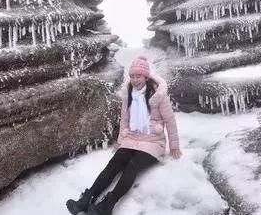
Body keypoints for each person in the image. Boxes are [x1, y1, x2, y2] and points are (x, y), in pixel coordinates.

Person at [66, 56, 181, 215]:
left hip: (153, 143)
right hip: (132, 139)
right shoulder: (128, 94)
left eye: (138, 76)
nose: (135, 80)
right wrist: (122, 141)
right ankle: (86, 199)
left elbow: (170, 120)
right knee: (113, 164)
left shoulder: (158, 95)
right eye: (132, 76)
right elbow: (124, 120)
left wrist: (174, 145)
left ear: (146, 77)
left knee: (131, 166)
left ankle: (107, 205)